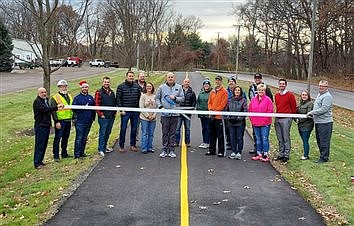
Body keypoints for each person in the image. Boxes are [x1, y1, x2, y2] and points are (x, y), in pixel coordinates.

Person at [155, 72, 185, 158]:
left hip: (175, 114)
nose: (170, 79)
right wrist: (160, 107)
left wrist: (175, 98)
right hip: (165, 114)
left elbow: (182, 99)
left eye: (172, 77)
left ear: (174, 78)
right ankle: (164, 149)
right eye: (169, 77)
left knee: (173, 133)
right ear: (166, 78)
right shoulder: (161, 87)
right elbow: (157, 98)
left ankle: (171, 150)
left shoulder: (179, 87)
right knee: (165, 133)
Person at [33, 87, 63, 169]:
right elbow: (45, 110)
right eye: (42, 92)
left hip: (46, 126)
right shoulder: (37, 102)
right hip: (40, 126)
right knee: (40, 145)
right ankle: (37, 163)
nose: (44, 94)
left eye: (45, 92)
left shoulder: (45, 101)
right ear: (38, 93)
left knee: (44, 144)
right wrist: (56, 107)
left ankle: (40, 161)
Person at [307, 80, 333, 163]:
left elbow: (324, 109)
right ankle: (322, 155)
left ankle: (324, 158)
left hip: (325, 123)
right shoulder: (319, 94)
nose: (321, 87)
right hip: (318, 122)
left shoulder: (327, 96)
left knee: (324, 140)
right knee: (319, 140)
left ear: (327, 87)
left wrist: (312, 112)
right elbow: (317, 106)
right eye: (320, 86)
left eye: (323, 86)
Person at [116, 71, 142, 152]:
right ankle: (121, 145)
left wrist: (139, 109)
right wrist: (121, 109)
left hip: (135, 111)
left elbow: (139, 98)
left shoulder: (137, 86)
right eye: (130, 76)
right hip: (125, 111)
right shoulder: (121, 86)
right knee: (123, 129)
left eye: (132, 76)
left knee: (134, 129)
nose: (131, 77)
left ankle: (133, 145)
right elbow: (118, 99)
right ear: (126, 76)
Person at [248, 73, 273, 155]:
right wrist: (252, 119)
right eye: (256, 78)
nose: (261, 91)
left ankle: (265, 153)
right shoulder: (252, 94)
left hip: (265, 122)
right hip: (256, 122)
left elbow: (270, 109)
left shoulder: (268, 97)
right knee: (257, 138)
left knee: (264, 138)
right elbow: (250, 109)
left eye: (262, 90)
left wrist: (265, 120)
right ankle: (258, 151)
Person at [274, 78, 297, 163]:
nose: (281, 85)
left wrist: (292, 116)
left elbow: (293, 107)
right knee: (279, 137)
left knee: (285, 137)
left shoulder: (290, 95)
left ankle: (286, 155)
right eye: (280, 84)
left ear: (286, 85)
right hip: (278, 117)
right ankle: (281, 153)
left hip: (286, 118)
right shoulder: (276, 95)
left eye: (283, 84)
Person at [50, 80, 73, 161]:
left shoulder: (69, 96)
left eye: (65, 86)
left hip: (68, 120)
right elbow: (53, 111)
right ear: (59, 87)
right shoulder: (55, 97)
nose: (63, 88)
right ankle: (56, 155)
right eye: (61, 86)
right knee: (57, 138)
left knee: (65, 138)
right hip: (60, 121)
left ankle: (64, 153)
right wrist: (56, 121)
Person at [205, 75, 228, 157]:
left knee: (220, 135)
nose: (217, 82)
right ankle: (212, 150)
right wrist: (210, 110)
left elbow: (223, 104)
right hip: (212, 116)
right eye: (216, 80)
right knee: (212, 134)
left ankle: (221, 151)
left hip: (219, 117)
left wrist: (215, 111)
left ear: (221, 81)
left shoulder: (224, 92)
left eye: (219, 80)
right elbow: (209, 102)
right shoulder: (212, 91)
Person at [72, 81, 95, 159]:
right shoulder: (77, 98)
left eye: (86, 87)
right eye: (83, 87)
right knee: (79, 138)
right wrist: (82, 108)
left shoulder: (90, 97)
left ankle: (82, 152)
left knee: (85, 138)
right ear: (81, 88)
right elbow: (74, 109)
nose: (85, 89)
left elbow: (93, 108)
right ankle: (77, 154)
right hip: (80, 121)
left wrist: (93, 118)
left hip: (88, 121)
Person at [95, 76, 116, 157]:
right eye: (105, 82)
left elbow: (114, 103)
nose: (106, 83)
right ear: (102, 83)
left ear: (110, 83)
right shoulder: (99, 92)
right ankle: (100, 149)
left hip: (111, 116)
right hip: (103, 117)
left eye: (108, 82)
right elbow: (97, 105)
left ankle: (105, 147)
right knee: (102, 133)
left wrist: (114, 113)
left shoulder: (112, 92)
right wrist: (101, 114)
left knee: (108, 132)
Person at [225, 86, 248, 160]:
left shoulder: (243, 100)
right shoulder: (230, 100)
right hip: (231, 122)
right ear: (233, 91)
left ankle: (239, 152)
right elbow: (226, 110)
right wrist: (229, 117)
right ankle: (234, 151)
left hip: (240, 123)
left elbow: (245, 111)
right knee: (232, 137)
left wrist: (238, 118)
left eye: (238, 90)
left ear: (240, 92)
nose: (237, 91)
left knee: (239, 137)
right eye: (236, 90)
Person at [175, 78, 196, 147]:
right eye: (185, 82)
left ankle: (187, 142)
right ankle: (176, 142)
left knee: (187, 129)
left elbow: (194, 102)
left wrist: (191, 110)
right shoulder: (178, 90)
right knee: (177, 128)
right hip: (179, 113)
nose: (186, 83)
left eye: (188, 82)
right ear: (183, 82)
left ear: (189, 83)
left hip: (187, 114)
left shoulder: (192, 92)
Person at [139, 82, 157, 154]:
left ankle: (150, 147)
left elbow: (157, 107)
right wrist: (147, 116)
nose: (149, 88)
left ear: (152, 88)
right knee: (144, 133)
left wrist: (153, 116)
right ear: (145, 88)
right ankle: (144, 148)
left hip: (153, 118)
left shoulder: (155, 97)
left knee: (151, 133)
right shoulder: (143, 96)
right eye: (148, 86)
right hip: (144, 118)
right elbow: (141, 107)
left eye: (150, 86)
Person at [296, 90, 314, 160]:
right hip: (300, 125)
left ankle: (306, 155)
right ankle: (305, 154)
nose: (304, 96)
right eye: (303, 95)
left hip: (307, 125)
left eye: (305, 95)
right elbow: (297, 112)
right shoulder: (300, 104)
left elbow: (308, 115)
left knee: (305, 140)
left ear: (308, 96)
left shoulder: (310, 104)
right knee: (304, 140)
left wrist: (299, 120)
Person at [196, 79, 212, 149]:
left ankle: (208, 142)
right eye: (205, 85)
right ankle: (204, 141)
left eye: (207, 85)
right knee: (204, 128)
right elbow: (198, 102)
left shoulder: (212, 93)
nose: (206, 86)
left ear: (209, 85)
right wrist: (198, 110)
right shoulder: (201, 93)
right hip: (202, 114)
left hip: (208, 114)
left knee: (208, 128)